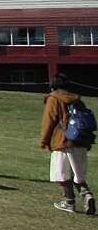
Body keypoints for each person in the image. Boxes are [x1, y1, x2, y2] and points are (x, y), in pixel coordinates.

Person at [40, 74, 94, 214]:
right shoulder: (77, 100)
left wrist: (44, 140)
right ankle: (86, 194)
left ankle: (69, 202)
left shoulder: (53, 99)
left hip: (62, 141)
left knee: (62, 173)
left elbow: (49, 120)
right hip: (80, 141)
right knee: (77, 173)